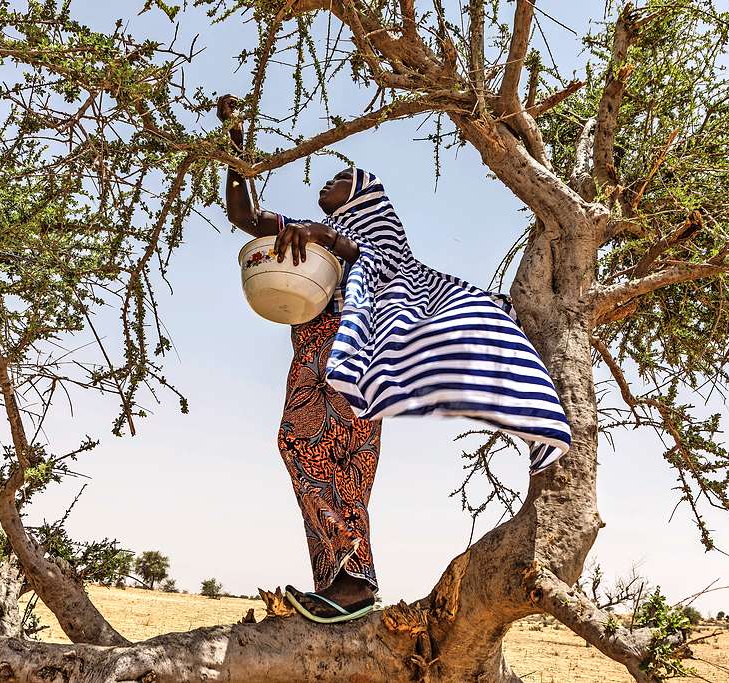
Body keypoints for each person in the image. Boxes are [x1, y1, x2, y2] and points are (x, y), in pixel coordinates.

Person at [216, 95, 571, 624]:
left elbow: (370, 257)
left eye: (339, 179)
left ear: (361, 194)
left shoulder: (373, 240)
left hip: (349, 359)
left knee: (311, 450)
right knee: (337, 469)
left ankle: (348, 584)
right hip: (322, 363)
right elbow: (243, 214)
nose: (324, 186)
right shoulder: (311, 235)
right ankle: (348, 585)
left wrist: (322, 235)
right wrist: (234, 139)